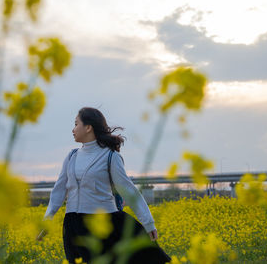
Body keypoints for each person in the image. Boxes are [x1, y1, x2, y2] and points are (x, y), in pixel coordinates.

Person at [37, 107, 171, 264]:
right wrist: (47, 219)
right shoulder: (71, 156)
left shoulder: (110, 157)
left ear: (88, 127)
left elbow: (128, 191)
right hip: (73, 225)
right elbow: (58, 191)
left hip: (104, 225)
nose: (72, 130)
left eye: (76, 124)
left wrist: (148, 223)